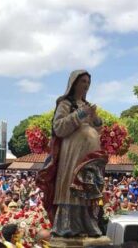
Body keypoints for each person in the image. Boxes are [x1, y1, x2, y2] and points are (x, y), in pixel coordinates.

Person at [36, 70, 106, 237]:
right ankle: (67, 225)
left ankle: (87, 224)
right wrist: (80, 114)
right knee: (71, 187)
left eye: (88, 82)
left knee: (87, 187)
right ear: (74, 83)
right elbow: (58, 128)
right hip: (71, 154)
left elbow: (97, 130)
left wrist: (95, 119)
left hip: (89, 155)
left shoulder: (86, 105)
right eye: (83, 81)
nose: (86, 85)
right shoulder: (65, 104)